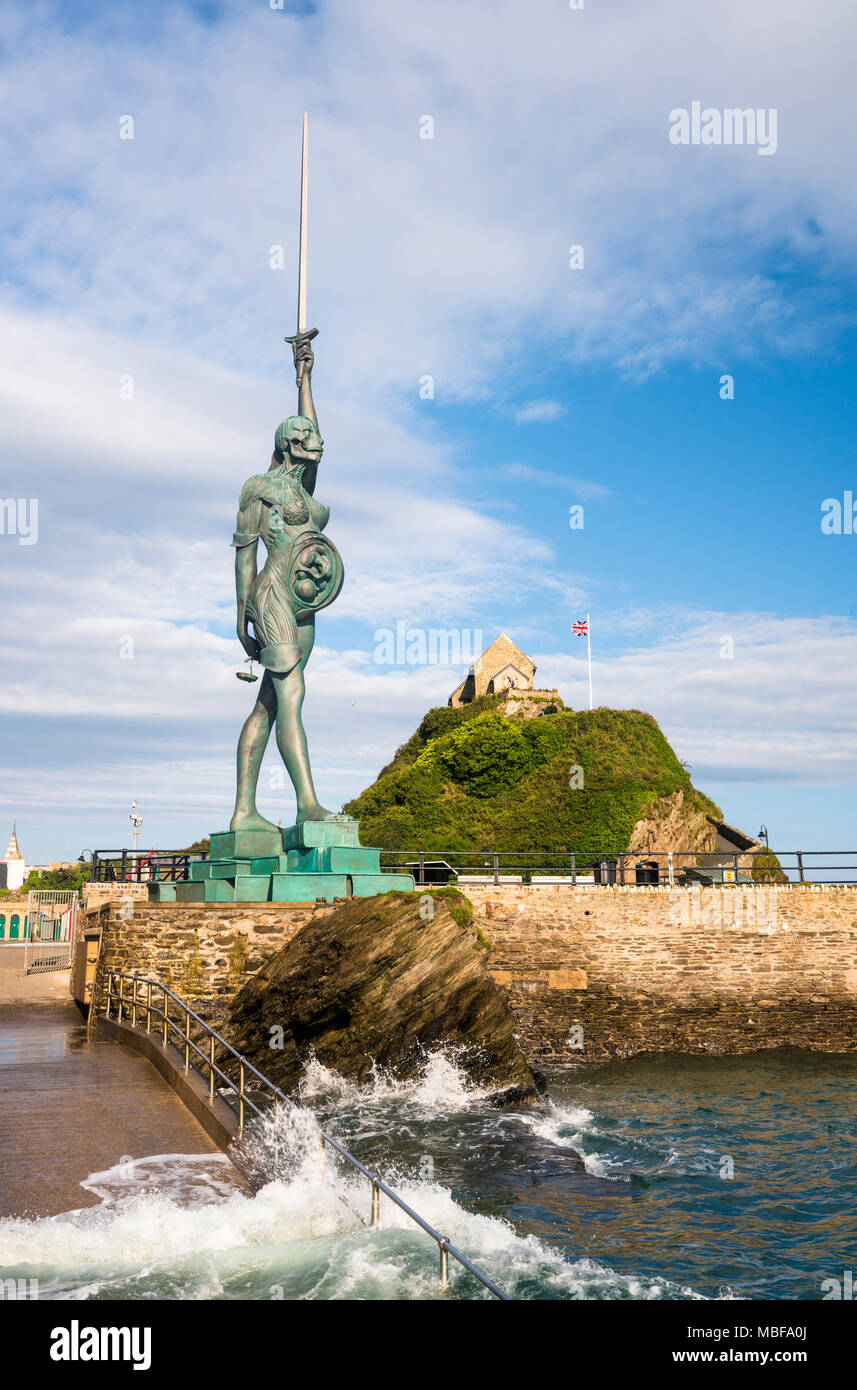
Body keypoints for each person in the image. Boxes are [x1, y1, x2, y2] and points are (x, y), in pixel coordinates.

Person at [230, 337, 343, 830]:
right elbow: (244, 554)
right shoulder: (261, 487)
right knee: (292, 694)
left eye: (311, 432)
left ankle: (243, 813)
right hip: (272, 597)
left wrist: (305, 379)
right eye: (301, 433)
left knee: (270, 702)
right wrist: (241, 617)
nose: (312, 437)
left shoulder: (305, 488)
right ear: (285, 443)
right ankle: (308, 806)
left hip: (305, 607)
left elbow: (313, 428)